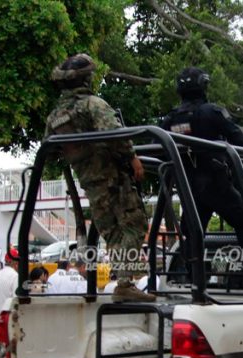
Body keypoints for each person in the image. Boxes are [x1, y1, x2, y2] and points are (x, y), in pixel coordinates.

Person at [44, 53, 154, 303]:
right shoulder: (93, 104)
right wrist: (133, 157)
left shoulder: (55, 117)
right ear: (86, 80)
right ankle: (125, 283)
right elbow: (115, 134)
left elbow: (48, 150)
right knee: (135, 226)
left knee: (112, 233)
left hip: (90, 183)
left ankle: (123, 280)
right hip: (113, 177)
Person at [160, 66, 243, 256]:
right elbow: (237, 137)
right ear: (203, 85)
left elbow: (157, 148)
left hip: (189, 187)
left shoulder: (171, 119)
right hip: (216, 184)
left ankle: (190, 276)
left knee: (193, 232)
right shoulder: (211, 112)